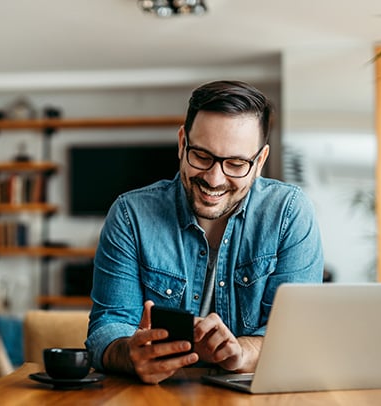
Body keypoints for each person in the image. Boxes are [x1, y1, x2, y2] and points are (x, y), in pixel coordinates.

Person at [85, 80, 324, 384]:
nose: (214, 179)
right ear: (183, 142)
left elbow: (296, 335)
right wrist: (130, 355)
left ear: (260, 160)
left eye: (236, 163)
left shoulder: (289, 213)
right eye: (201, 156)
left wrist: (241, 352)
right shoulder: (130, 215)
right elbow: (107, 328)